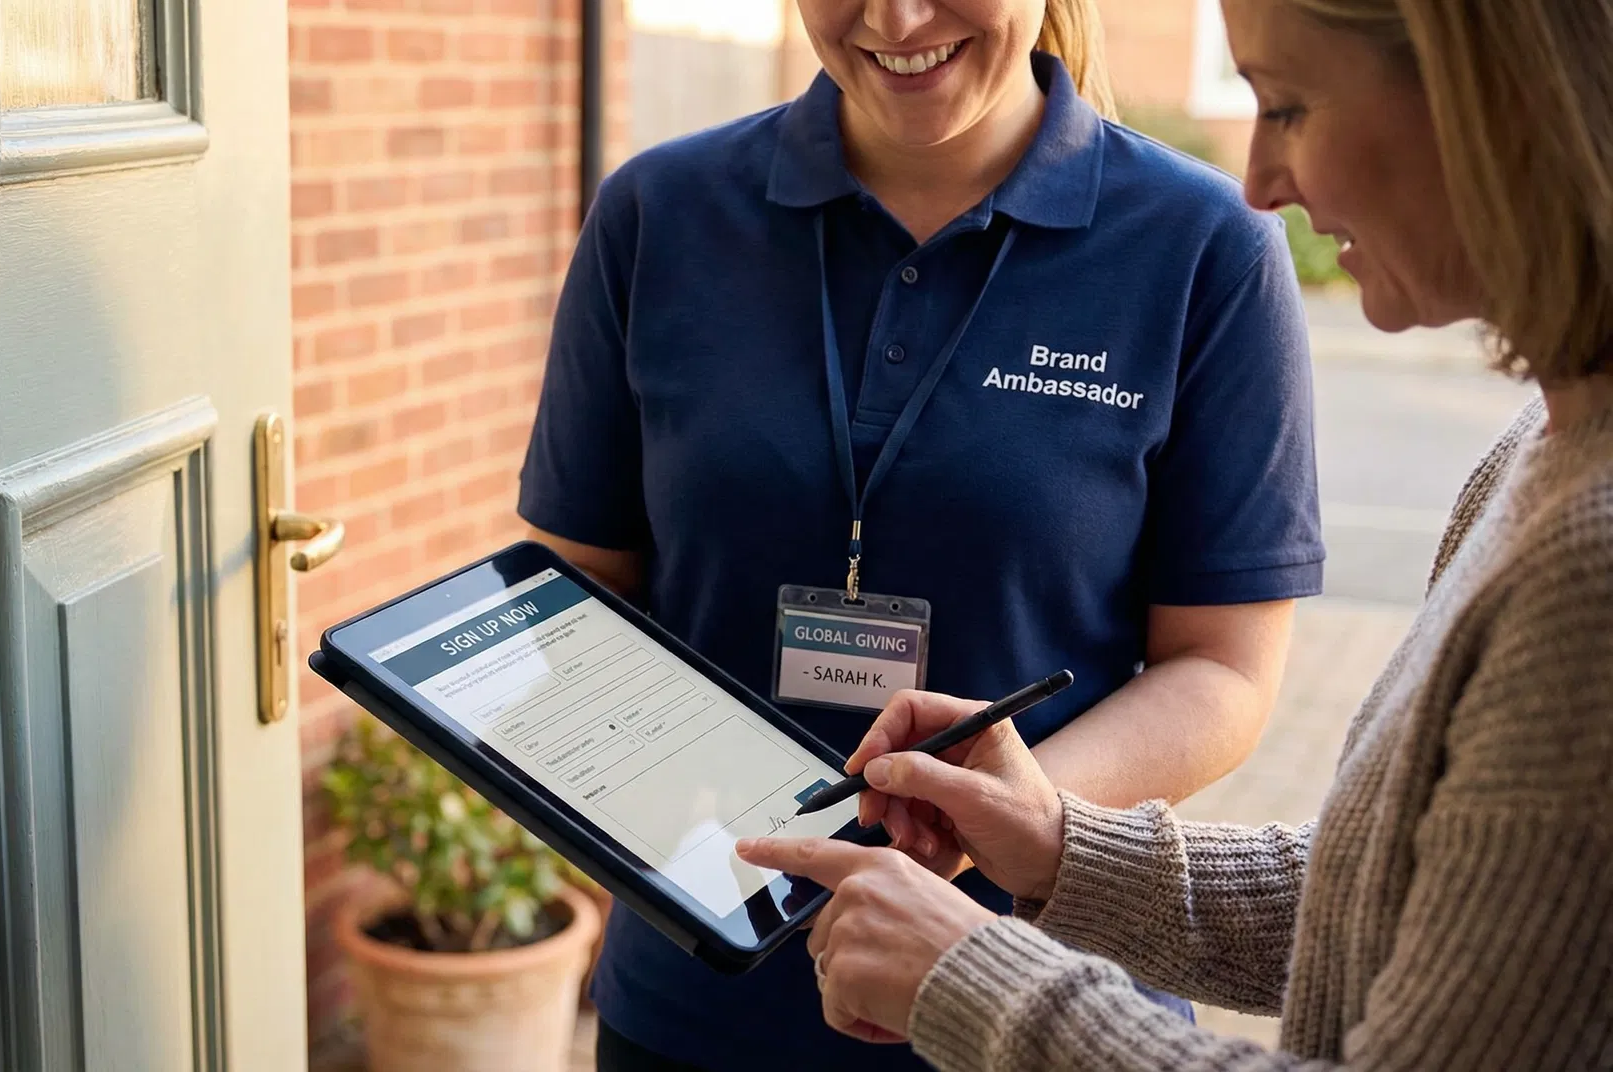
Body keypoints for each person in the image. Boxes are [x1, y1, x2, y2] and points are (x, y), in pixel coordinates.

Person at [736, 0, 1613, 1066]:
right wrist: (1063, 846)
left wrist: (975, 973)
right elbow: (1414, 892)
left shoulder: (1589, 569)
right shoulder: (1545, 442)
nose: (1260, 181)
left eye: (1286, 105)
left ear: (1491, 103)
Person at [517, 0, 1329, 1066]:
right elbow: (576, 592)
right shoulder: (656, 216)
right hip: (698, 999)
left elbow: (1223, 669)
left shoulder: (1205, 247)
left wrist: (1000, 807)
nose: (896, 17)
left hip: (1043, 999)